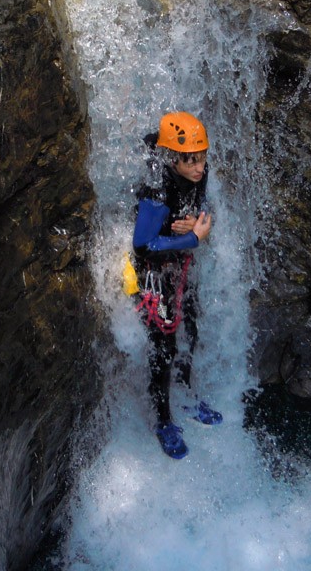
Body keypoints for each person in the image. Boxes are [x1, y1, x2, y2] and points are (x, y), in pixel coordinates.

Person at [132, 111, 223, 459]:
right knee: (164, 347)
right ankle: (163, 420)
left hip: (179, 264)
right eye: (191, 161)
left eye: (202, 158)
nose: (199, 167)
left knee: (192, 328)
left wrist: (199, 221)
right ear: (173, 159)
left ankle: (185, 394)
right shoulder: (157, 192)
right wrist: (191, 239)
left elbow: (203, 206)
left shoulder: (198, 172)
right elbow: (142, 246)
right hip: (153, 272)